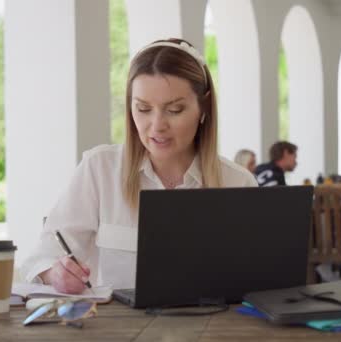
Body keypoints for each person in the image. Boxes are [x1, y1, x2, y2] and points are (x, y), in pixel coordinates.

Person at [20, 38, 258, 294]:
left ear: (204, 108)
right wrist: (55, 273)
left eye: (175, 110)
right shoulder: (99, 169)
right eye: (143, 109)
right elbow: (40, 259)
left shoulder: (239, 183)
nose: (157, 126)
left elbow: (260, 282)